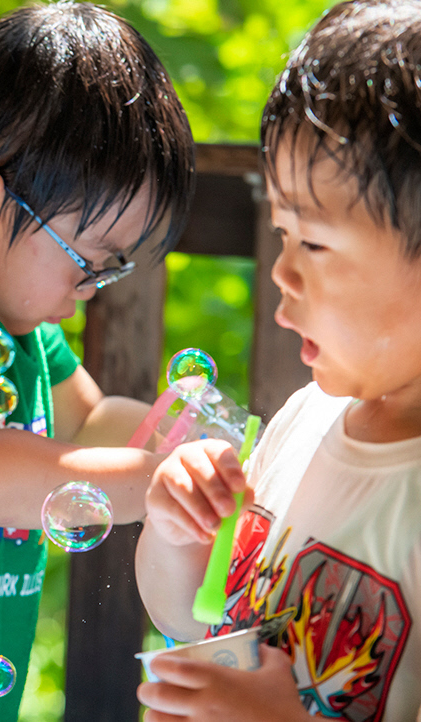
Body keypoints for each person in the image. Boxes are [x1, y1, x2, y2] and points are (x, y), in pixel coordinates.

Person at [135, 1, 421, 719]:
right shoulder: (304, 419)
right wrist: (178, 537)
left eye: (314, 244)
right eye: (281, 234)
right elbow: (192, 619)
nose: (282, 274)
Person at [0, 3, 196, 717]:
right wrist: (157, 482)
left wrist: (195, 450)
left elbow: (93, 419)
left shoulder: (24, 330)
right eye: (88, 263)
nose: (91, 292)